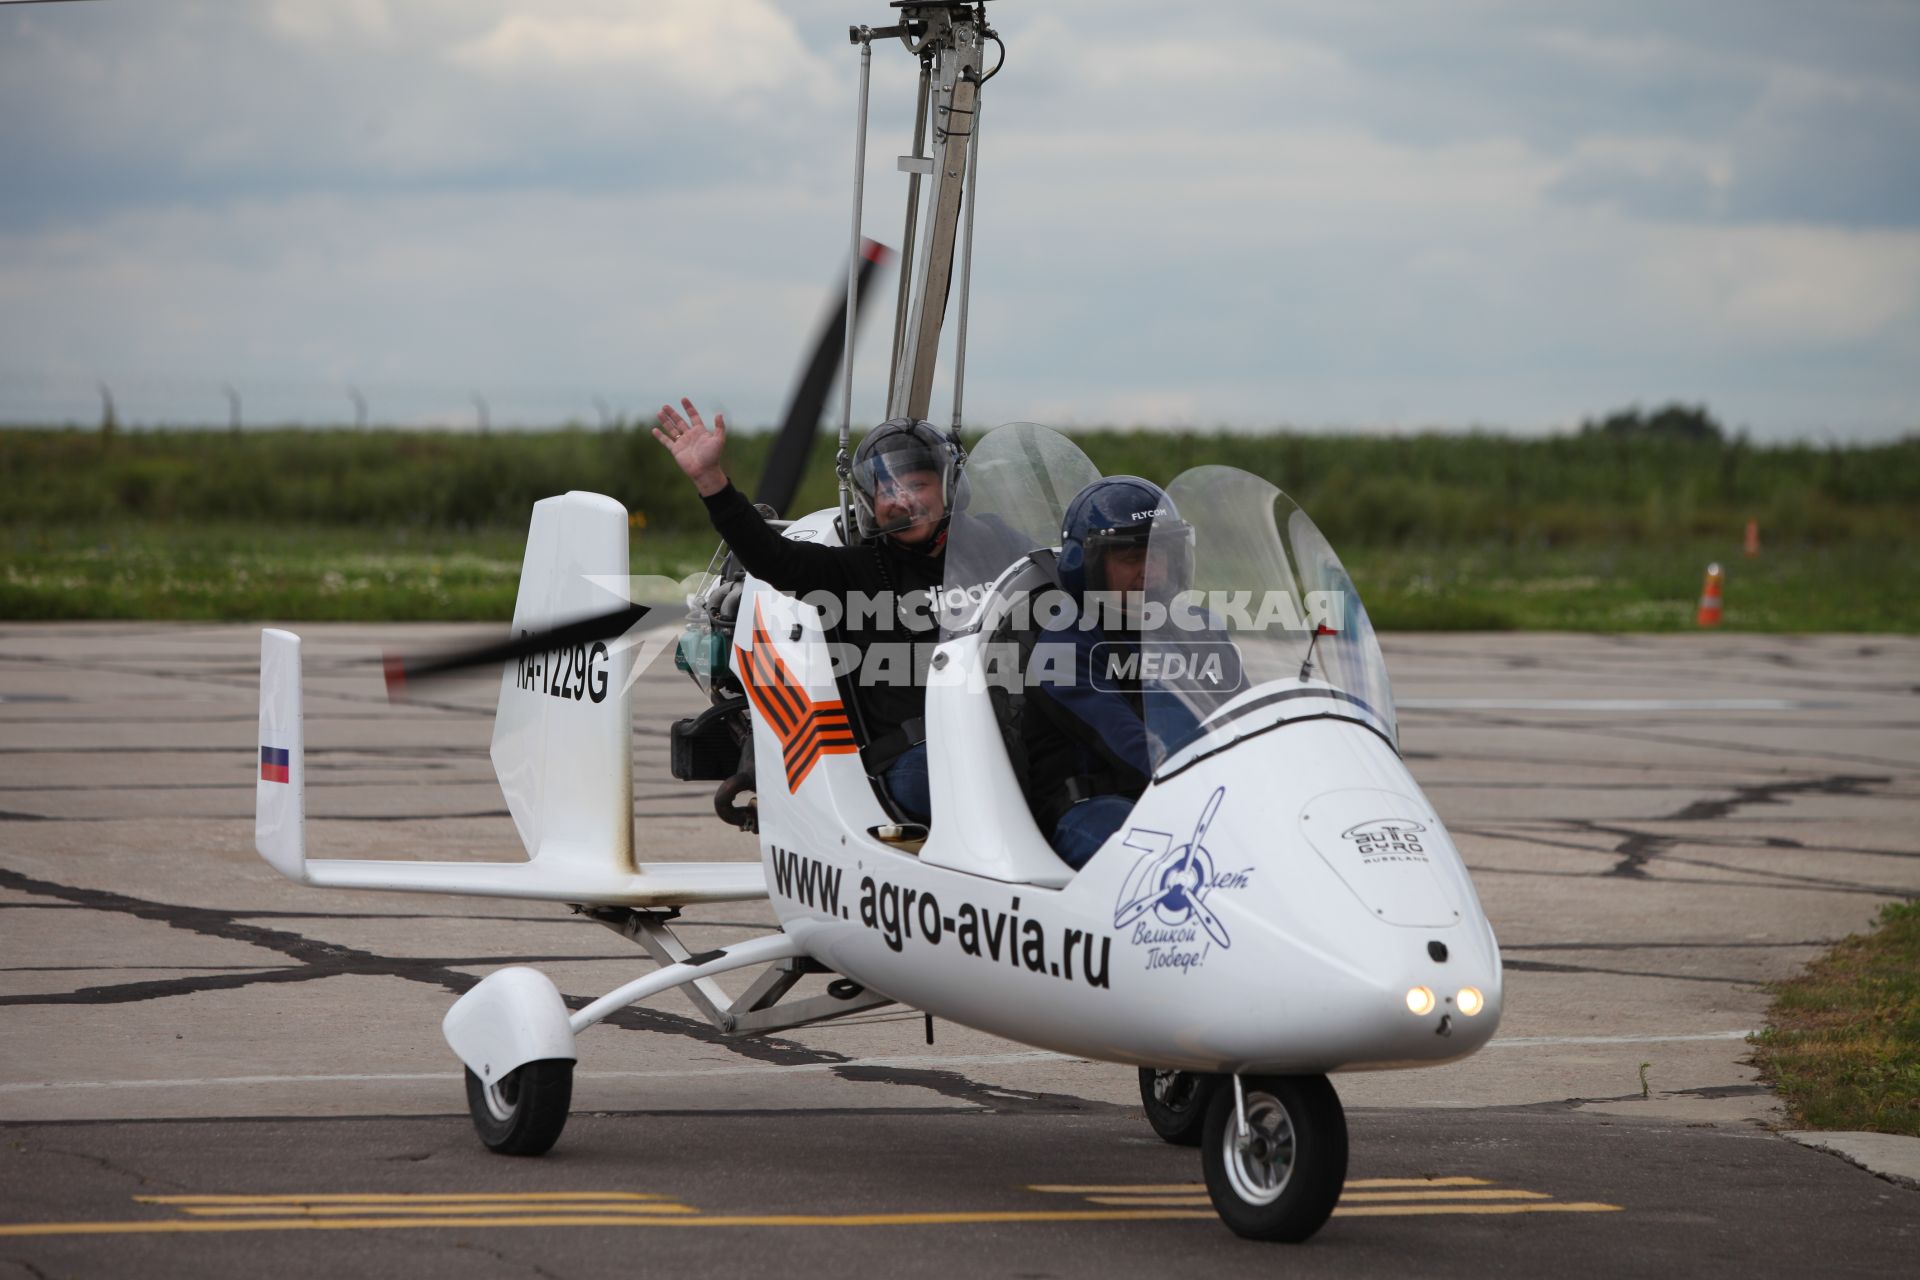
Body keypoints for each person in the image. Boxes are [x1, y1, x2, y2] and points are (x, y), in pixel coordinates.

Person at [653, 398, 956, 823]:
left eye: (917, 485)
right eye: (887, 489)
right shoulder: (857, 570)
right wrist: (711, 480)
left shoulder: (989, 550)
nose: (901, 500)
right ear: (870, 500)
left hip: (993, 734)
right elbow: (772, 557)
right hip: (916, 758)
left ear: (948, 487)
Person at [1017, 476, 1193, 869]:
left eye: (1160, 554)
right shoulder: (1065, 647)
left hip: (1178, 792)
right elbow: (1131, 747)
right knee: (1171, 864)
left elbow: (1239, 717)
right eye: (1131, 558)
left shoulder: (1197, 629)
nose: (1151, 573)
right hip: (1090, 807)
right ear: (1088, 566)